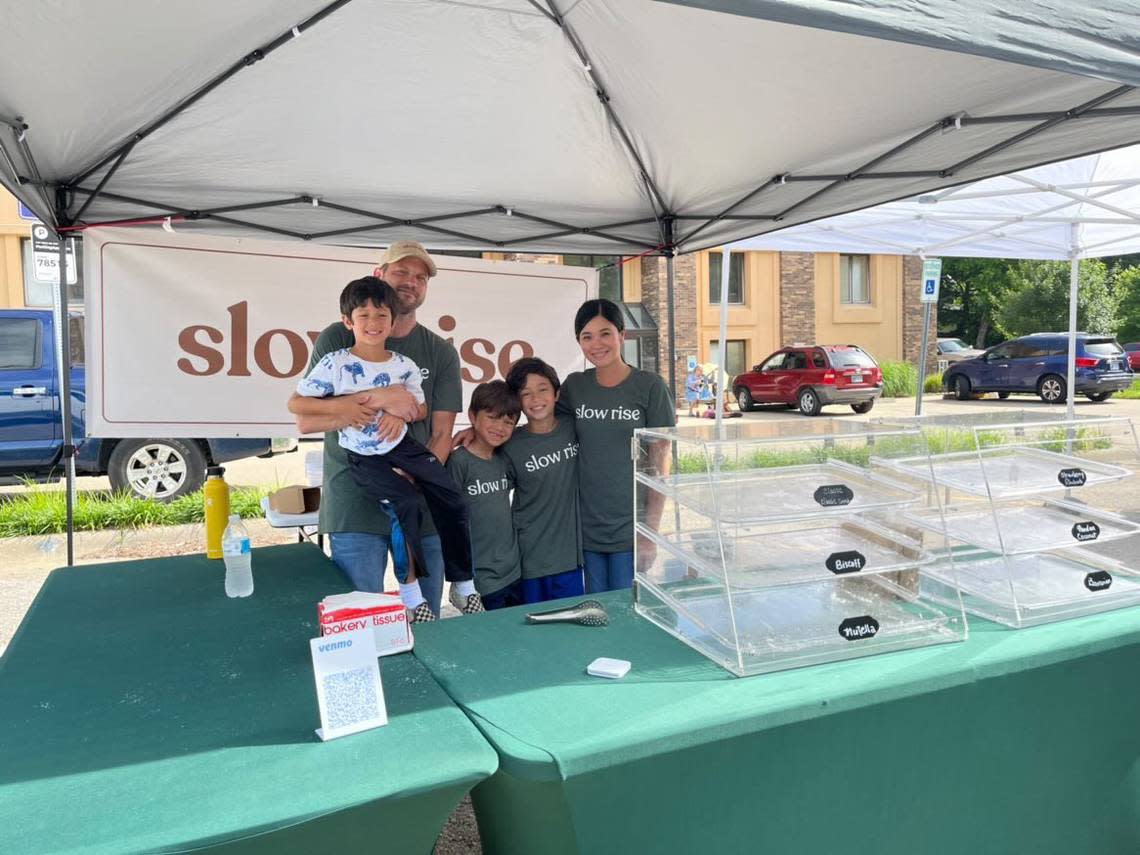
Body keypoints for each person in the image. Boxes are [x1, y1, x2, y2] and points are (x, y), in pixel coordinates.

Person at [288, 240, 462, 617]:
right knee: (360, 622)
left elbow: (442, 431)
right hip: (353, 506)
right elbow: (306, 417)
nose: (411, 282)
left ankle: (462, 591)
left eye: (420, 277)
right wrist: (384, 398)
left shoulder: (440, 352)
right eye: (402, 272)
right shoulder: (338, 339)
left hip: (419, 504)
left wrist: (414, 475)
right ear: (379, 275)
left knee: (426, 618)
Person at [558, 299, 675, 593]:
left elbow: (660, 467)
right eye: (587, 336)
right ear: (579, 342)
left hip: (631, 531)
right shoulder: (574, 387)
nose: (596, 344)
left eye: (605, 333)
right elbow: (546, 432)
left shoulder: (650, 387)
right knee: (597, 613)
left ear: (622, 335)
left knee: (628, 615)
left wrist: (649, 535)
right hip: (587, 531)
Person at [502, 357, 584, 604]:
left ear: (557, 393)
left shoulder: (575, 427)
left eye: (542, 390)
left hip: (570, 559)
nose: (536, 399)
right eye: (526, 394)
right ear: (517, 401)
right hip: (529, 559)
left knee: (570, 630)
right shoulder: (510, 444)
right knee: (534, 631)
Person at [445, 381, 524, 610]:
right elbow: (449, 522)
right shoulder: (459, 462)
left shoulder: (504, 459)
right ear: (472, 416)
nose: (500, 427)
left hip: (514, 572)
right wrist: (461, 579)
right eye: (492, 417)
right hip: (481, 580)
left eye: (508, 422)